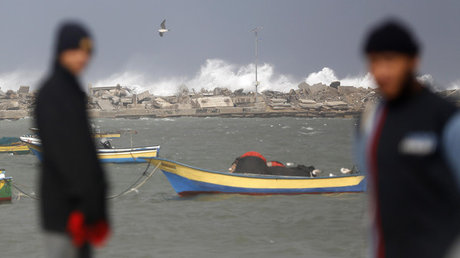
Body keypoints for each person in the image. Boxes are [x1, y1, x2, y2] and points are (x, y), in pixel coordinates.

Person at [355, 19, 460, 258]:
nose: (381, 71)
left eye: (390, 60)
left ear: (413, 61)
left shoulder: (446, 120)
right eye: (374, 61)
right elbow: (375, 206)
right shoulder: (369, 122)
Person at [35, 22, 109, 258]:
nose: (84, 58)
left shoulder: (74, 92)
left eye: (88, 52)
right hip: (65, 213)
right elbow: (63, 157)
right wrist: (79, 209)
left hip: (85, 212)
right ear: (62, 52)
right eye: (77, 51)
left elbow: (86, 154)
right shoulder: (51, 94)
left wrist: (99, 210)